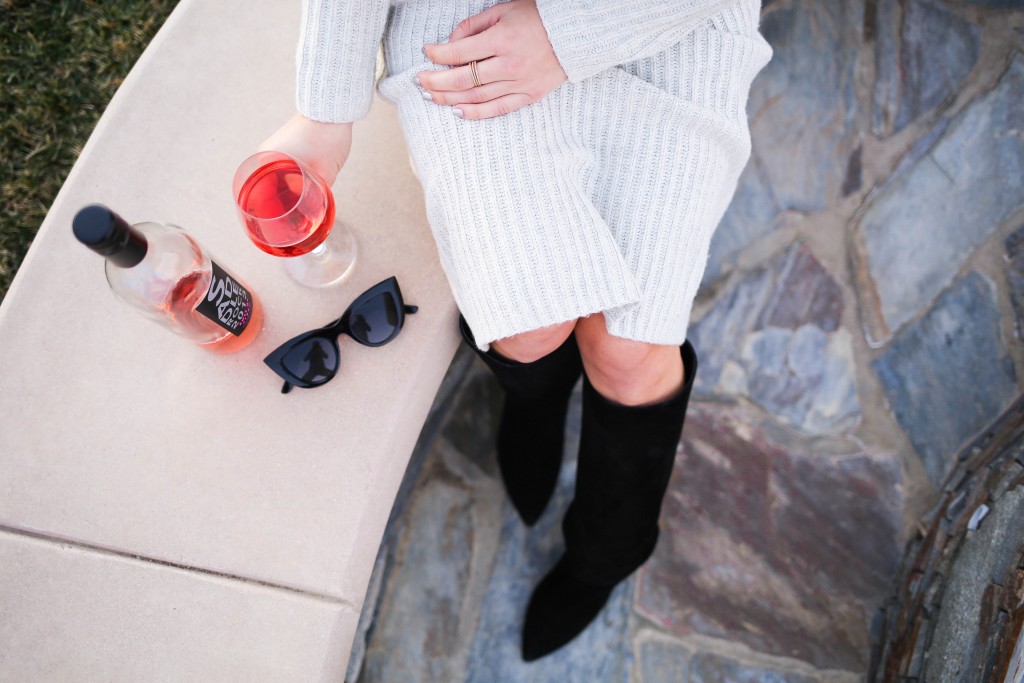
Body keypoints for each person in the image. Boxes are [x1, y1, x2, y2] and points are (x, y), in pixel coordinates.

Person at [262, 0, 772, 661]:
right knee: (529, 323)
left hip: (666, 27)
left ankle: (608, 549)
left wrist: (569, 35)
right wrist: (323, 112)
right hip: (465, 23)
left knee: (629, 347)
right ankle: (534, 399)